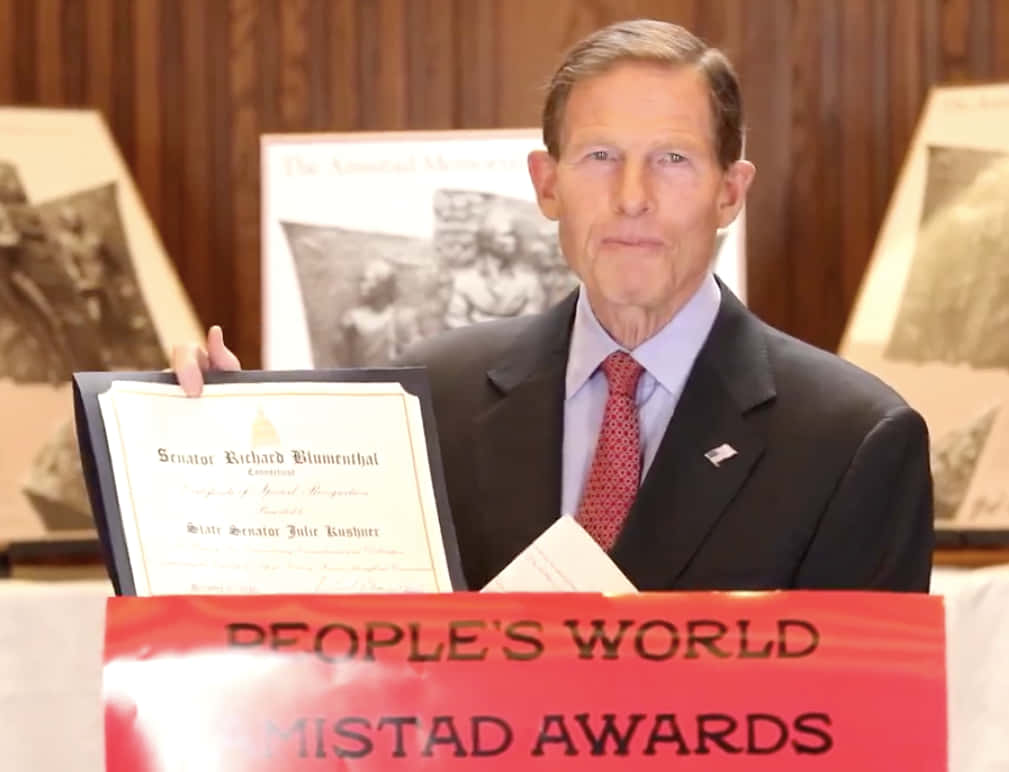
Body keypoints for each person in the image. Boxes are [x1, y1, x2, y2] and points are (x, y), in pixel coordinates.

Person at [174, 20, 933, 593]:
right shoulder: (425, 398)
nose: (631, 198)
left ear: (729, 192)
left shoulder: (852, 439)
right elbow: (330, 649)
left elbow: (861, 727)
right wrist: (224, 456)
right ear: (546, 184)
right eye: (599, 157)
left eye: (671, 160)